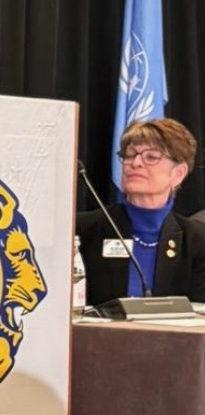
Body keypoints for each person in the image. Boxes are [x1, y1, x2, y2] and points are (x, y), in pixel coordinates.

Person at [77, 118, 205, 306]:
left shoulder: (197, 241)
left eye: (151, 157)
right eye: (130, 155)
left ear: (178, 173)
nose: (135, 163)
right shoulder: (83, 230)